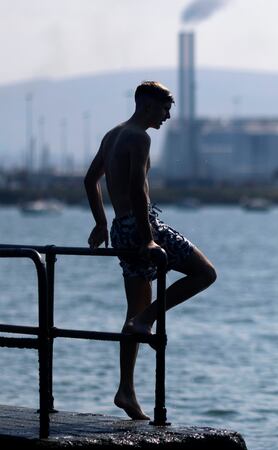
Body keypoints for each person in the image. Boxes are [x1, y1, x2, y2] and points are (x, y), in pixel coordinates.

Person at [84, 81, 217, 420]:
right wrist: (147, 238)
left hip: (119, 228)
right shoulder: (139, 137)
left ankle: (126, 390)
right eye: (163, 109)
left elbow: (90, 180)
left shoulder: (113, 134)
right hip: (141, 227)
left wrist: (101, 223)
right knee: (205, 273)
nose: (168, 116)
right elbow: (138, 190)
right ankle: (149, 318)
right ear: (146, 106)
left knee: (133, 314)